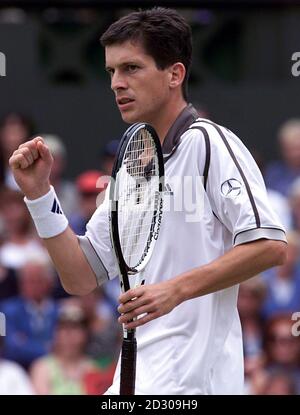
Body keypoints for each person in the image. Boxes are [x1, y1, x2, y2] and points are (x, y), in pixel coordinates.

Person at [9, 7, 287, 395]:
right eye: (111, 72)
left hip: (192, 386)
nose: (116, 84)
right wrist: (39, 194)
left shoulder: (209, 143)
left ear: (175, 74)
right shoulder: (130, 170)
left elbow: (271, 246)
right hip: (133, 382)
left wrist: (176, 289)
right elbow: (79, 276)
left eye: (131, 68)